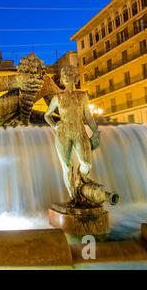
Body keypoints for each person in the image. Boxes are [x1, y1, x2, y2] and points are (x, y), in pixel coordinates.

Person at [44, 66, 100, 201]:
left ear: (75, 77)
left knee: (86, 163)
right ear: (62, 79)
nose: (67, 76)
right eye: (64, 74)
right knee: (67, 166)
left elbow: (88, 116)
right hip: (63, 132)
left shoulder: (82, 96)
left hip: (80, 131)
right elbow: (47, 115)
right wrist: (54, 125)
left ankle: (82, 177)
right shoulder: (58, 97)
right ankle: (73, 196)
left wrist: (95, 131)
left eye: (70, 74)